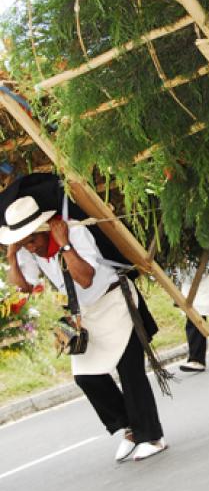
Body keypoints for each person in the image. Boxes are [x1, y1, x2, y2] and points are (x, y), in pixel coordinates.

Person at [2, 195, 166, 463]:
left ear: (44, 228)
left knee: (130, 372)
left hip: (115, 303)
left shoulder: (75, 230)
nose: (30, 247)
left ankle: (151, 436)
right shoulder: (27, 249)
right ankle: (129, 428)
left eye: (32, 239)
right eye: (24, 241)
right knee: (86, 377)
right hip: (86, 315)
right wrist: (12, 254)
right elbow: (24, 288)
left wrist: (65, 245)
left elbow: (86, 278)